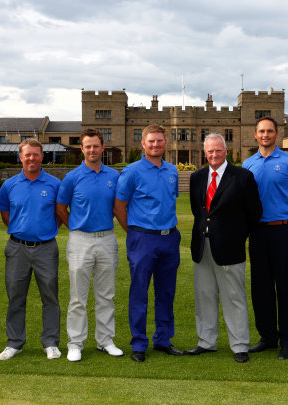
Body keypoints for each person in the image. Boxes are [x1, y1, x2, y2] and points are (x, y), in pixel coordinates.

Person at [185, 133, 262, 363]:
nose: (214, 155)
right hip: (202, 245)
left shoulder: (242, 177)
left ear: (226, 151)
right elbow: (198, 211)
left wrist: (237, 236)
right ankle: (206, 342)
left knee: (233, 297)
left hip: (230, 247)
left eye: (218, 150)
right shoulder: (197, 177)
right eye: (210, 151)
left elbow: (254, 213)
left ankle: (239, 345)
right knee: (204, 295)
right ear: (204, 152)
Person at [113, 124, 182, 362]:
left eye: (160, 141)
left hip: (169, 238)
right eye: (151, 141)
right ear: (143, 144)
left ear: (166, 143)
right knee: (139, 292)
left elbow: (170, 201)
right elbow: (119, 206)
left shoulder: (172, 170)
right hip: (142, 239)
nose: (155, 145)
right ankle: (139, 343)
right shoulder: (131, 172)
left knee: (166, 292)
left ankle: (163, 340)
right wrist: (133, 231)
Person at [243, 116, 288, 360]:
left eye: (270, 131)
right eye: (261, 131)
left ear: (277, 133)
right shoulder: (248, 164)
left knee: (286, 286)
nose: (265, 135)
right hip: (258, 232)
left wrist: (287, 215)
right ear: (255, 134)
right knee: (261, 286)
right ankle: (268, 337)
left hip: (284, 231)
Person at [56, 129, 123, 362]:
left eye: (96, 146)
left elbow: (118, 206)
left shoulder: (114, 176)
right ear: (82, 149)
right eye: (88, 146)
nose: (92, 150)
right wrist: (75, 226)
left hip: (106, 239)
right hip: (80, 240)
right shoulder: (72, 177)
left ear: (102, 148)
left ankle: (105, 340)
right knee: (78, 297)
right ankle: (75, 343)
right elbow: (61, 208)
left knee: (106, 295)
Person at [0, 139, 62, 361]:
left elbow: (59, 215)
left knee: (50, 296)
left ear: (42, 156)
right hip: (17, 248)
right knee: (16, 296)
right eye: (27, 155)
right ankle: (15, 343)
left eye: (35, 154)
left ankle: (51, 342)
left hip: (46, 248)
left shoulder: (54, 184)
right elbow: (6, 216)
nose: (31, 158)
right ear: (20, 157)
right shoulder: (9, 185)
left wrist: (43, 231)